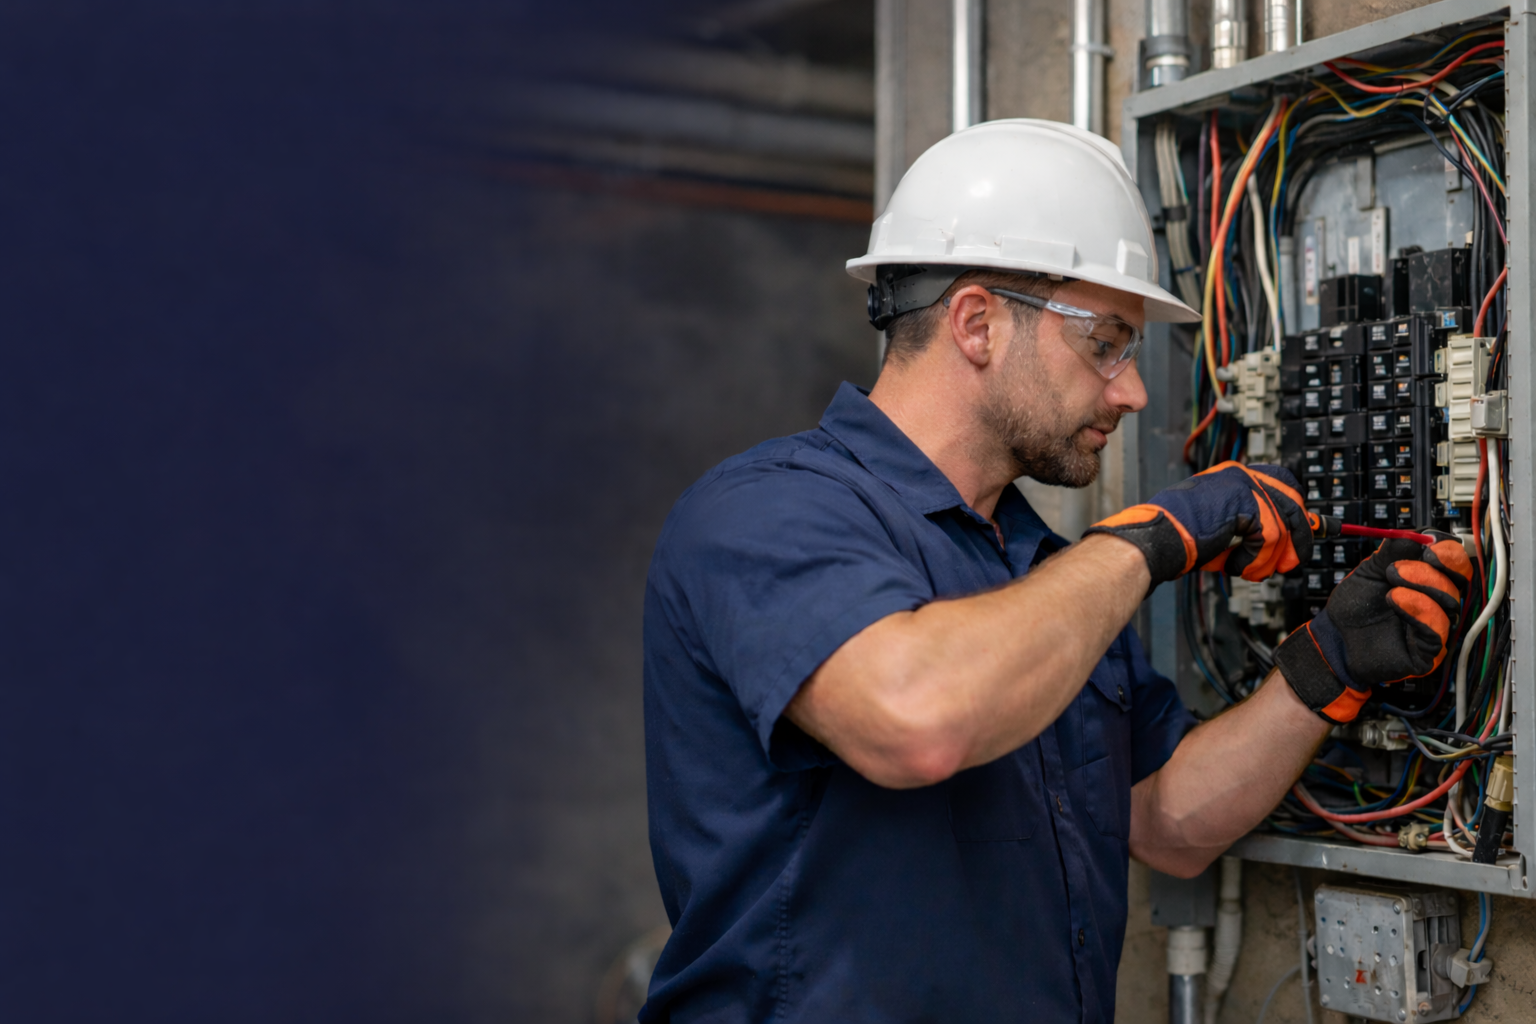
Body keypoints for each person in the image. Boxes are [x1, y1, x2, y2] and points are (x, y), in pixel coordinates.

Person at [639, 120, 1471, 1023]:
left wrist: (1327, 666)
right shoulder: (763, 512)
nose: (1133, 390)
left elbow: (1165, 824)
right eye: (1106, 343)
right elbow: (915, 720)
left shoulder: (1044, 575)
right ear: (977, 323)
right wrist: (1149, 541)